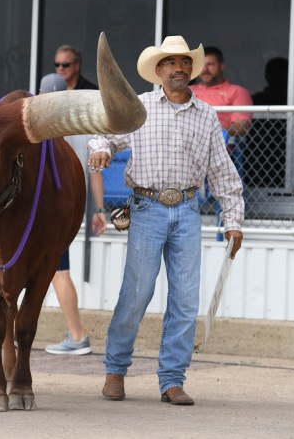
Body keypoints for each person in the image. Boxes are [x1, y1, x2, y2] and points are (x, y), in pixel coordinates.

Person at [88, 36, 244, 406]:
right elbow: (104, 136)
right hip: (147, 207)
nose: (179, 69)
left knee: (186, 299)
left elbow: (222, 171)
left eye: (185, 63)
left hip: (188, 209)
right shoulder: (138, 107)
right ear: (157, 71)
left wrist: (233, 220)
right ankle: (115, 371)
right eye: (171, 63)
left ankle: (172, 380)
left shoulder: (206, 115)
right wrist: (99, 152)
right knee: (138, 292)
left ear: (192, 69)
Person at [39, 69, 93, 356]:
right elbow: (94, 172)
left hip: (48, 208)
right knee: (58, 271)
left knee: (57, 272)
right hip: (73, 206)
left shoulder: (42, 126)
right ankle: (75, 334)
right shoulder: (82, 124)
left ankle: (77, 335)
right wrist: (98, 209)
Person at [189, 46, 252, 138]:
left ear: (221, 67)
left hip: (220, 147)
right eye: (202, 65)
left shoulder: (237, 91)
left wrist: (211, 134)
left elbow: (242, 126)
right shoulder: (186, 91)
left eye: (210, 65)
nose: (205, 70)